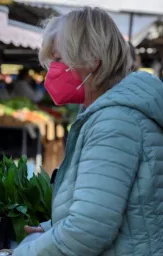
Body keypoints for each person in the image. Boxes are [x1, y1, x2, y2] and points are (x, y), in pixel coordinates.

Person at [13, 7, 163, 255]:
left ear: (93, 60)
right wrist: (55, 228)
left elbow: (87, 230)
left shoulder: (115, 122)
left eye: (59, 60)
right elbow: (119, 209)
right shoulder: (113, 114)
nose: (52, 70)